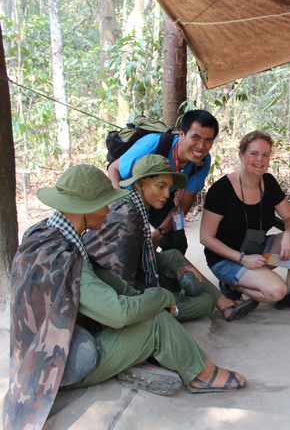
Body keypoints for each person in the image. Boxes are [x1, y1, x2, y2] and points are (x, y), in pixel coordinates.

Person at [4, 165, 246, 430]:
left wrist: (140, 295)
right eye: (103, 205)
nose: (108, 211)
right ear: (83, 209)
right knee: (155, 323)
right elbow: (120, 313)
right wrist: (161, 297)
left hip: (42, 347)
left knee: (148, 307)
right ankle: (201, 375)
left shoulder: (45, 233)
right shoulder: (64, 256)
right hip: (54, 366)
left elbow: (103, 276)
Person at [85, 155, 257, 322]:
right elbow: (122, 286)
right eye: (160, 187)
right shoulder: (127, 218)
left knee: (174, 255)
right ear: (139, 184)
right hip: (111, 296)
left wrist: (176, 270)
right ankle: (221, 304)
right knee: (204, 303)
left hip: (127, 277)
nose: (167, 194)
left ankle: (225, 305)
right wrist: (160, 297)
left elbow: (142, 255)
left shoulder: (132, 204)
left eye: (169, 187)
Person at [200, 130, 290, 315]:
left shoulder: (268, 182)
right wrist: (242, 259)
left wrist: (288, 234)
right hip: (227, 259)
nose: (260, 160)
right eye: (253, 154)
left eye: (265, 155)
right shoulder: (221, 190)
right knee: (275, 291)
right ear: (241, 155)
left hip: (257, 251)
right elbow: (206, 238)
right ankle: (233, 286)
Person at [107, 109, 219, 254]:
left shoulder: (202, 162)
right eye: (195, 137)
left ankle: (168, 274)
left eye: (208, 140)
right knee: (129, 245)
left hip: (161, 197)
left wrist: (159, 233)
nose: (201, 146)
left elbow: (184, 204)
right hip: (129, 195)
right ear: (182, 135)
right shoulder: (152, 144)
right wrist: (121, 206)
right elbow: (113, 169)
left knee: (177, 243)